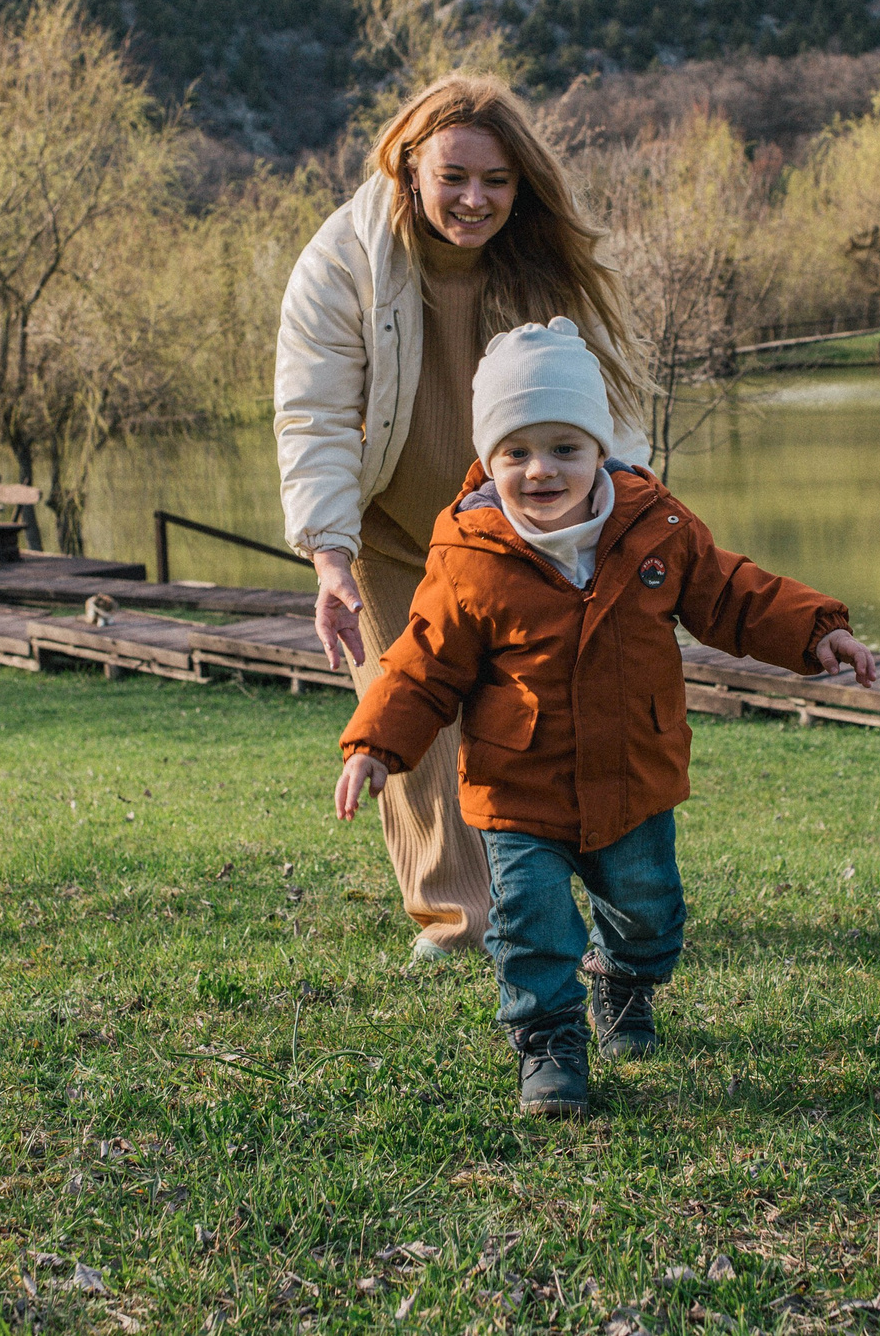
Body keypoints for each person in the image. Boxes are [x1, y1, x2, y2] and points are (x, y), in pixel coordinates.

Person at [332, 319, 877, 1118]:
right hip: (517, 787)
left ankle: (623, 981)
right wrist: (376, 744)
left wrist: (814, 628)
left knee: (650, 911)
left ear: (598, 449)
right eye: (516, 451)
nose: (540, 469)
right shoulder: (471, 553)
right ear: (489, 460)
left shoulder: (653, 526)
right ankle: (548, 1042)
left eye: (563, 447)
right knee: (530, 923)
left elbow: (730, 593)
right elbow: (423, 663)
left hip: (633, 772)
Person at [275, 73, 650, 963]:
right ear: (409, 167)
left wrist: (623, 520)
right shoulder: (342, 260)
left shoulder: (544, 266)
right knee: (407, 707)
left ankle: (558, 893)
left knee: (526, 714)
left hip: (511, 529)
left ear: (521, 186)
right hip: (389, 531)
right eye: (454, 177)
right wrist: (329, 555)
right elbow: (315, 414)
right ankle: (457, 916)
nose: (474, 199)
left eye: (497, 181)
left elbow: (605, 408)